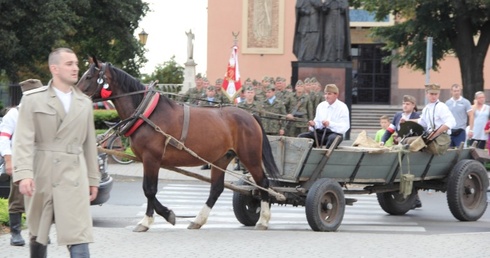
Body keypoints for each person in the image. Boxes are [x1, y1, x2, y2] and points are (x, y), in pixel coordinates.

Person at [13, 48, 100, 257]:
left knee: (79, 235)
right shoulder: (33, 100)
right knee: (38, 234)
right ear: (54, 68)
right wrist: (24, 174)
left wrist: (93, 178)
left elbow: (89, 144)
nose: (76, 68)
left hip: (73, 175)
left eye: (76, 64)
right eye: (69, 64)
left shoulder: (84, 103)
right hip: (42, 172)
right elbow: (23, 140)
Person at [0, 79, 43, 246]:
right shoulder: (14, 114)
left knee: (40, 197)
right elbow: (3, 138)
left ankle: (38, 232)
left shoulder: (43, 113)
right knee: (17, 198)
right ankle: (15, 233)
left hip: (40, 160)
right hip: (19, 160)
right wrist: (8, 160)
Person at [298, 84, 349, 148]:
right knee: (302, 137)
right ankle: (308, 156)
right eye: (325, 94)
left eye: (329, 94)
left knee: (332, 139)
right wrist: (314, 124)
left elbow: (344, 126)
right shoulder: (321, 106)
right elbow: (317, 123)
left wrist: (330, 124)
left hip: (334, 133)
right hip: (321, 133)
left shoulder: (342, 107)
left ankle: (326, 157)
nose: (327, 96)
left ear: (336, 95)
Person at [445, 84, 473, 148]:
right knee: (448, 150)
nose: (456, 93)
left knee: (459, 149)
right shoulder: (447, 103)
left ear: (460, 91)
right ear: (451, 91)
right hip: (450, 130)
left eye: (458, 91)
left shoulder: (465, 102)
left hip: (460, 130)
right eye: (455, 91)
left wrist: (471, 130)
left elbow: (471, 115)